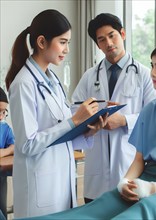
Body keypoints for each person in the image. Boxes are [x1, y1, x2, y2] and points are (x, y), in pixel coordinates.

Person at [34, 40, 156, 219]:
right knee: (103, 204)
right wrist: (124, 183)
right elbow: (139, 160)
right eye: (152, 65)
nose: (152, 72)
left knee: (143, 209)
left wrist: (155, 188)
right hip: (149, 177)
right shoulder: (150, 110)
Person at [5, 9, 107, 218]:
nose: (67, 49)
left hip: (60, 184)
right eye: (62, 42)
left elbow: (59, 133)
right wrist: (74, 120)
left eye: (68, 42)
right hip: (40, 190)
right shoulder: (23, 84)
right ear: (42, 42)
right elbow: (27, 144)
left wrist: (87, 130)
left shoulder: (52, 79)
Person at [71, 13, 156, 203]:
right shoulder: (89, 77)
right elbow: (74, 111)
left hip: (129, 167)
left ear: (122, 34)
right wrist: (94, 119)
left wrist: (124, 120)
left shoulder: (144, 75)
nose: (108, 43)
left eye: (112, 35)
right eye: (102, 39)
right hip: (96, 174)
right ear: (97, 44)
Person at [0, 87, 15, 219]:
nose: (1, 116)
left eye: (4, 112)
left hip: (1, 175)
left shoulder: (5, 128)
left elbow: (14, 146)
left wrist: (5, 151)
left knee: (2, 209)